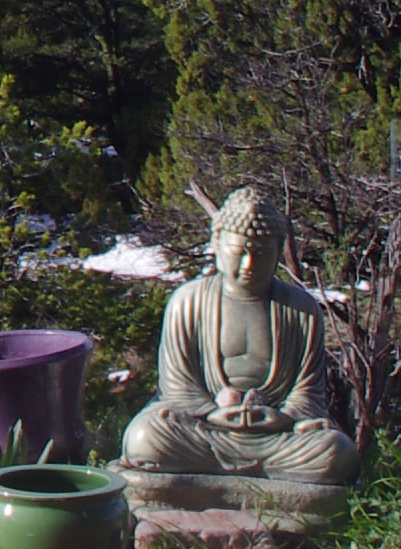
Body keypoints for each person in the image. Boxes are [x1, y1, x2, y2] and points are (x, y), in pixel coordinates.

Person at [117, 185, 358, 488]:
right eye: (238, 253)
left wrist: (282, 416)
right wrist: (214, 414)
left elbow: (308, 392)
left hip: (276, 435)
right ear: (216, 244)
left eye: (261, 254)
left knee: (336, 452)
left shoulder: (302, 308)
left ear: (279, 248)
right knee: (145, 437)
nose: (249, 265)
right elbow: (178, 389)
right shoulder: (188, 301)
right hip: (207, 430)